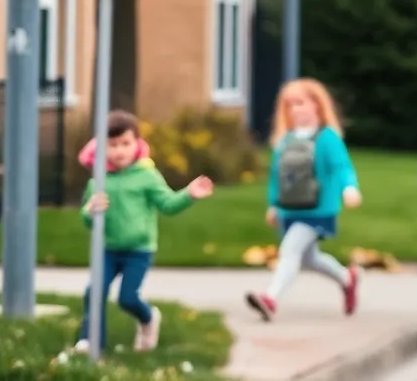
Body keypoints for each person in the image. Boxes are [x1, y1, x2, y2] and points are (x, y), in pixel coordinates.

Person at [75, 110, 214, 354]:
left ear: (137, 144)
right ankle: (91, 343)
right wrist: (90, 211)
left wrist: (188, 195)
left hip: (138, 250)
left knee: (127, 298)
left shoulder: (146, 176)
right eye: (112, 145)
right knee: (93, 293)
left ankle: (148, 318)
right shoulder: (97, 180)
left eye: (125, 144)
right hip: (107, 248)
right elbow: (86, 219)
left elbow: (167, 204)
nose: (119, 151)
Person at [246, 78, 363, 322]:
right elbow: (277, 177)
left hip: (318, 209)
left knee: (289, 251)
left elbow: (342, 166)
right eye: (289, 105)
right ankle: (347, 278)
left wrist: (350, 188)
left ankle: (271, 299)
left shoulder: (327, 137)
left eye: (300, 103)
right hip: (290, 209)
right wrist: (273, 204)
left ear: (317, 106)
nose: (295, 109)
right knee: (309, 259)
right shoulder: (286, 140)